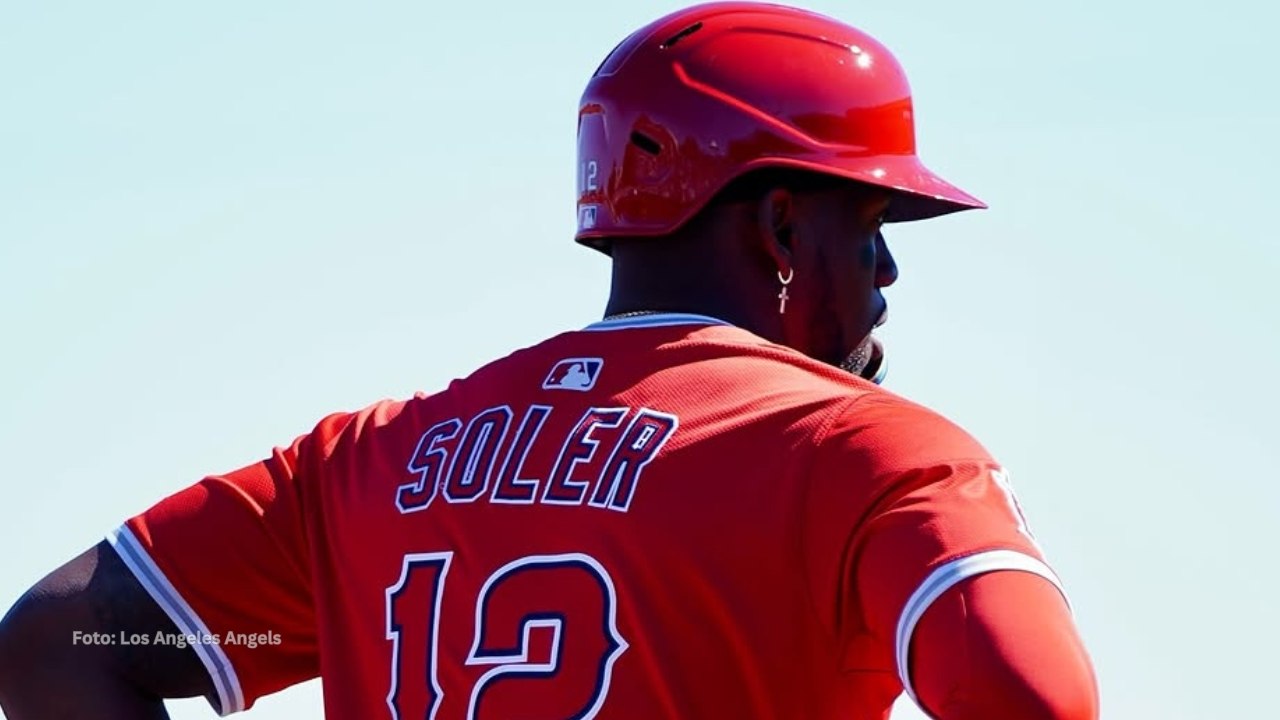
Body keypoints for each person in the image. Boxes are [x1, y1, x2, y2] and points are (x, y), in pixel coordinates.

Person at [0, 3, 1099, 719]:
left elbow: (61, 640)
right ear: (774, 226)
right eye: (869, 227)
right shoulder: (863, 452)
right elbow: (1031, 700)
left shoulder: (367, 464)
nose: (884, 278)